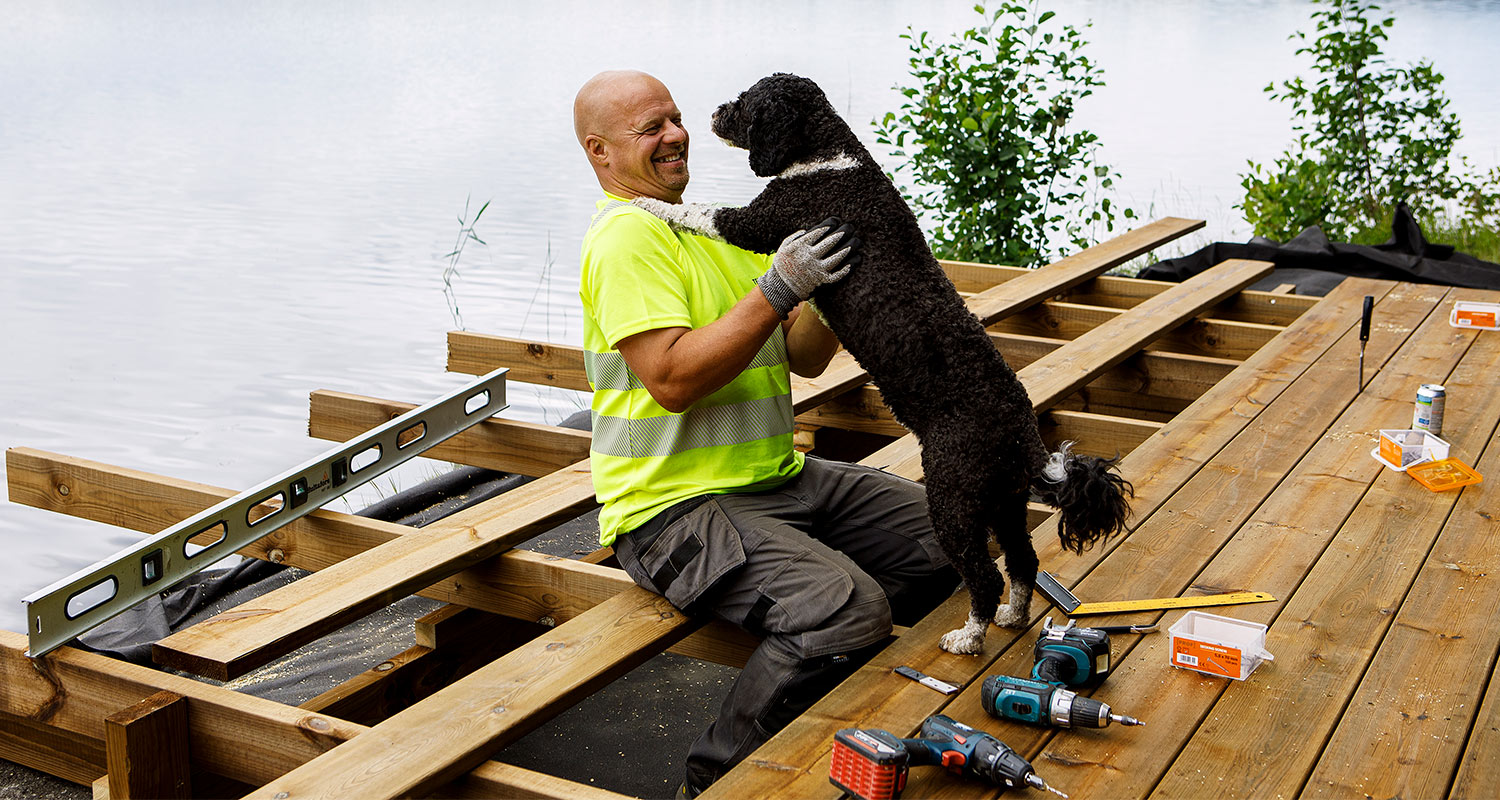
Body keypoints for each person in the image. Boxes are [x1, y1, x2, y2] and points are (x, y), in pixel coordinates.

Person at [572, 69, 958, 797]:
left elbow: (805, 356)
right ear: (600, 151)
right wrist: (778, 287)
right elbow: (672, 378)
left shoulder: (714, 231)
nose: (676, 136)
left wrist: (844, 272)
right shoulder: (627, 236)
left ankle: (853, 709)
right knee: (843, 609)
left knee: (953, 533)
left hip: (778, 480)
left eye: (675, 119)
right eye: (651, 128)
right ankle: (713, 785)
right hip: (671, 509)